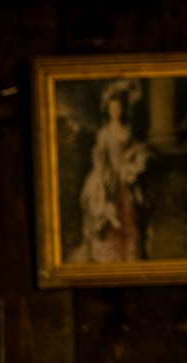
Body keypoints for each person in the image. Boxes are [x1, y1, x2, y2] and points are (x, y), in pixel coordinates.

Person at [75, 78, 149, 263]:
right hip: (108, 176)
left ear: (123, 109)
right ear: (108, 110)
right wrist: (101, 184)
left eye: (119, 108)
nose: (116, 111)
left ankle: (130, 256)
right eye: (113, 108)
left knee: (130, 215)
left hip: (125, 175)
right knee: (107, 215)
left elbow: (136, 148)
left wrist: (132, 152)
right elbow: (100, 159)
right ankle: (109, 258)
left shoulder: (127, 130)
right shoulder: (104, 133)